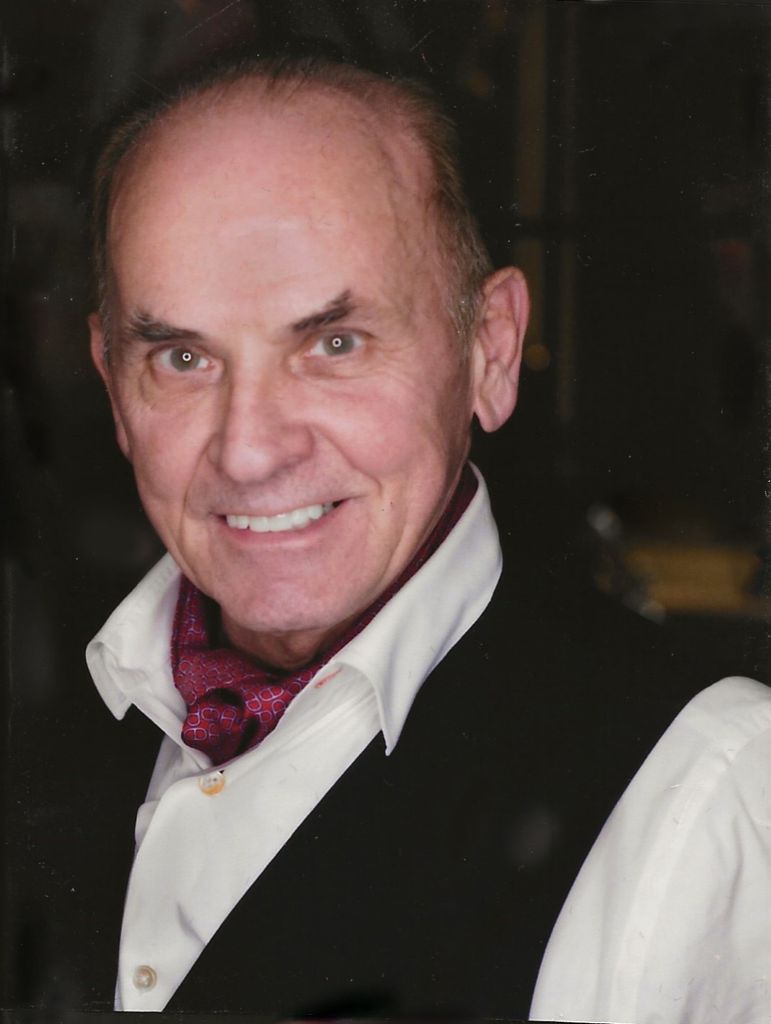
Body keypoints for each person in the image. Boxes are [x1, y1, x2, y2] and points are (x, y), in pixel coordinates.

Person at [79, 54, 770, 1020]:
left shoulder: (704, 788)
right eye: (182, 357)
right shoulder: (45, 722)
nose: (249, 450)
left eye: (334, 344)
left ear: (490, 349)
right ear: (113, 382)